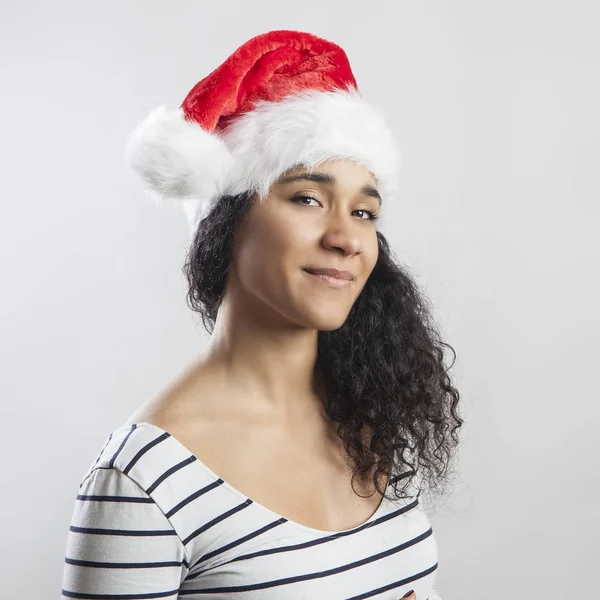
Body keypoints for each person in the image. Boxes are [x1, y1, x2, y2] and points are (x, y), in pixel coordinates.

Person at [61, 29, 462, 600]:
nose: (348, 237)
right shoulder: (143, 481)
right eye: (307, 198)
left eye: (365, 210)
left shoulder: (371, 415)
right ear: (225, 221)